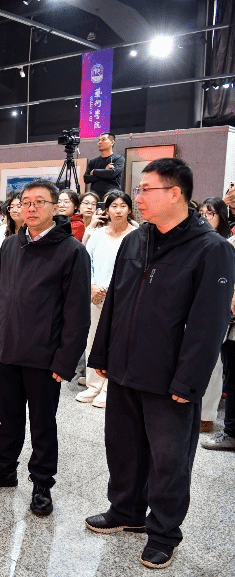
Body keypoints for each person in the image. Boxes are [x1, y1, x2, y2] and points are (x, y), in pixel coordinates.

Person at [85, 158, 235, 570]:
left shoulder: (212, 249)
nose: (137, 198)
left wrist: (188, 382)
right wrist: (102, 354)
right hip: (125, 367)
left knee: (169, 460)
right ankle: (126, 510)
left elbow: (209, 324)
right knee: (122, 446)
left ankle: (164, 532)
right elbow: (115, 301)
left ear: (175, 193)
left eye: (145, 190)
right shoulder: (136, 240)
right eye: (138, 190)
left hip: (170, 377)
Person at [0, 180, 91, 518]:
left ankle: (41, 484)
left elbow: (77, 314)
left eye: (40, 201)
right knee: (8, 418)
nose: (32, 207)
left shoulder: (72, 251)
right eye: (26, 202)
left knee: (42, 424)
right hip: (6, 349)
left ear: (55, 207)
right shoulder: (11, 245)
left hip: (44, 356)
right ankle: (4, 469)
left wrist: (65, 361)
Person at [76, 191, 137, 408]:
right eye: (114, 206)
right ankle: (93, 385)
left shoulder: (136, 235)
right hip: (96, 296)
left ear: (129, 209)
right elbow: (86, 263)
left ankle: (109, 388)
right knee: (93, 340)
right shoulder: (98, 234)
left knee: (116, 343)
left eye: (123, 206)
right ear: (107, 210)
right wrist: (92, 286)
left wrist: (113, 290)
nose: (118, 211)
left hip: (122, 297)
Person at [196, 197, 232, 432]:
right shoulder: (195, 241)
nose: (204, 218)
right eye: (201, 213)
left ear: (221, 216)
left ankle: (207, 416)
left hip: (219, 307)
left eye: (210, 213)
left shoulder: (227, 243)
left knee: (215, 362)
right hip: (195, 307)